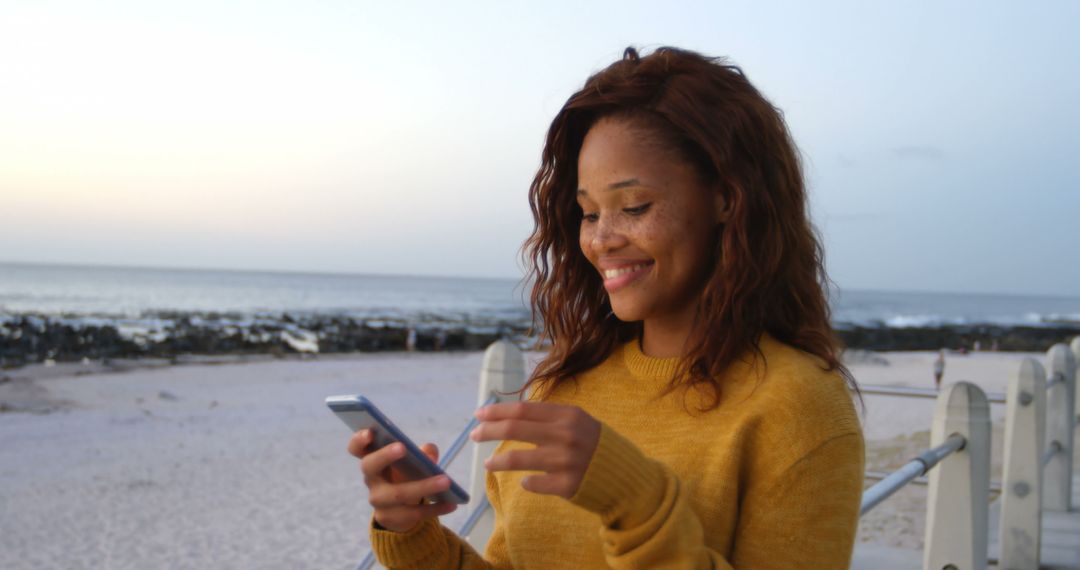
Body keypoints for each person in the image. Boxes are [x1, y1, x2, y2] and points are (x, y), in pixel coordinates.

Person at [348, 46, 865, 568]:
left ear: (728, 198)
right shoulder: (563, 388)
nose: (602, 240)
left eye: (634, 206)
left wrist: (638, 504)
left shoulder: (797, 407)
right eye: (589, 213)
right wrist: (411, 533)